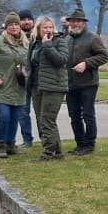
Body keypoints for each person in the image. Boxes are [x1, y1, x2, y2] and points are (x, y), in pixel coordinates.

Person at [0, 12, 29, 158]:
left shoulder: (26, 43)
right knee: (4, 116)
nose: (14, 27)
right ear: (6, 27)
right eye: (11, 25)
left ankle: (10, 143)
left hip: (19, 87)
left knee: (15, 117)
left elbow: (31, 62)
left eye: (16, 24)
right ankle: (1, 145)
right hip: (1, 87)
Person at [64, 7, 108, 155]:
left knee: (88, 114)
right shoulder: (67, 39)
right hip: (70, 83)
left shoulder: (92, 38)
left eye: (78, 21)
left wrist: (86, 64)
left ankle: (89, 144)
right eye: (73, 21)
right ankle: (80, 143)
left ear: (83, 23)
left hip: (88, 83)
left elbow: (103, 56)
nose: (75, 24)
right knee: (74, 115)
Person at [27, 15, 72, 161]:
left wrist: (48, 45)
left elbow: (61, 61)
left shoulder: (60, 41)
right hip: (37, 86)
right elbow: (32, 63)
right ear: (38, 29)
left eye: (50, 27)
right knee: (42, 120)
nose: (48, 30)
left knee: (47, 120)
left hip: (54, 86)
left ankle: (47, 153)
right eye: (45, 27)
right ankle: (57, 152)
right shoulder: (34, 43)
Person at [17, 9, 36, 148]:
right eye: (23, 19)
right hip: (21, 79)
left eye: (29, 19)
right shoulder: (14, 36)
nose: (26, 21)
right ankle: (27, 140)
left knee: (42, 113)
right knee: (23, 112)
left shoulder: (39, 35)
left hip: (38, 80)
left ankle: (45, 139)